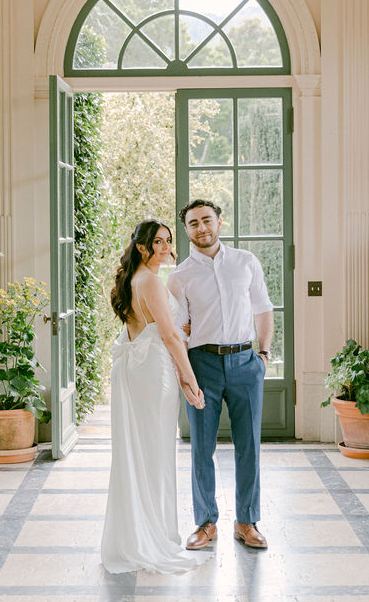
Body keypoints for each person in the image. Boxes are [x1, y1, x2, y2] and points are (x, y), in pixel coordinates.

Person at [100, 219, 212, 574]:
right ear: (142, 247)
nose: (166, 248)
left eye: (167, 241)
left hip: (137, 368)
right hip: (153, 372)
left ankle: (140, 534)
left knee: (141, 452)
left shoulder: (135, 279)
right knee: (155, 452)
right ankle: (151, 537)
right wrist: (191, 382)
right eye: (158, 242)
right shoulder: (151, 281)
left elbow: (161, 330)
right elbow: (169, 337)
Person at [167, 199, 274, 551]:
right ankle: (205, 522)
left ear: (219, 222)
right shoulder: (179, 276)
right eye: (194, 223)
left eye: (207, 220)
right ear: (186, 231)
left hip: (245, 362)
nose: (202, 228)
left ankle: (247, 521)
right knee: (201, 447)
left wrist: (263, 354)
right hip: (202, 365)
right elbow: (179, 331)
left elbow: (263, 308)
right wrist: (186, 376)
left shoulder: (246, 262)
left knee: (249, 447)